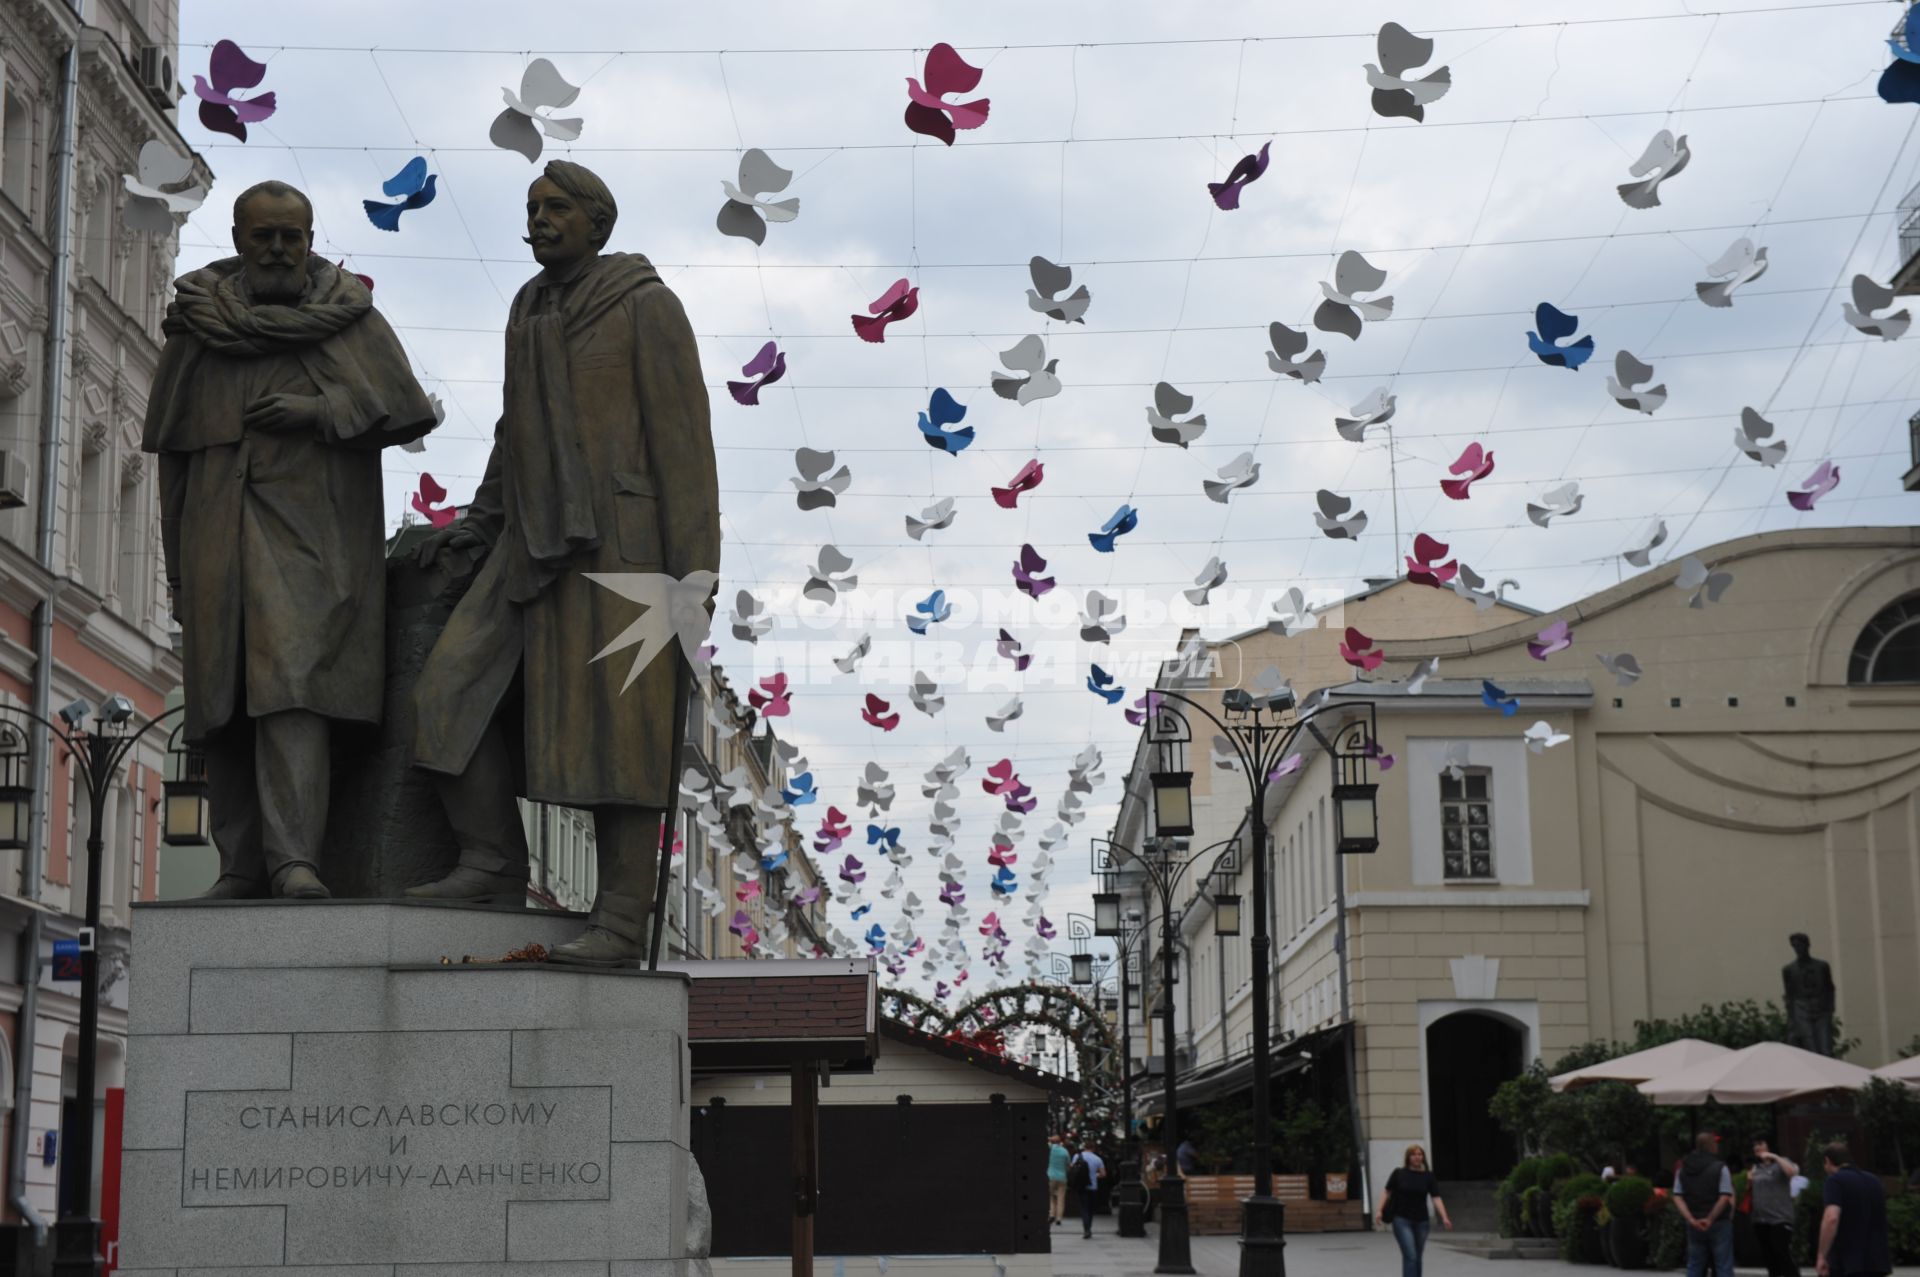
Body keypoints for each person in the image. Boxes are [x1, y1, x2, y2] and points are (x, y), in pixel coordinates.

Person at [408, 160, 721, 964]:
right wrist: (476, 524)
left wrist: (695, 583)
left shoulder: (647, 306)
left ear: (596, 223)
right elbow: (517, 434)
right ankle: (491, 859)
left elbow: (686, 450)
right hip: (527, 542)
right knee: (448, 688)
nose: (539, 219)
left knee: (621, 736)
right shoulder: (529, 309)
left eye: (556, 208)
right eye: (531, 207)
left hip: (625, 551)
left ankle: (620, 916)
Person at [144, 180, 438, 899]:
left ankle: (293, 860)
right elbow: (174, 462)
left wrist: (320, 409)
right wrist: (177, 573)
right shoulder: (196, 332)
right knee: (221, 708)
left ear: (311, 241)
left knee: (292, 696)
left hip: (316, 547)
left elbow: (407, 410)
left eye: (292, 237)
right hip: (218, 545)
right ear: (240, 240)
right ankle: (240, 863)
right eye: (263, 236)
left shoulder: (349, 320)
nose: (278, 249)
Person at [1376, 1143, 1453, 1277]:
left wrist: (1444, 1216)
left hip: (1422, 1221)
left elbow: (1436, 1197)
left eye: (1420, 1154)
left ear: (1423, 1157)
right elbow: (1386, 1192)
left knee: (1417, 1256)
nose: (1417, 1157)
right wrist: (1379, 1210)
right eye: (1414, 1154)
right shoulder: (1398, 1173)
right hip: (1401, 1219)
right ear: (1408, 1157)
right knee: (1410, 1255)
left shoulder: (1428, 1176)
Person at [1817, 1142, 1891, 1277]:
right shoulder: (1874, 1181)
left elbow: (1831, 1218)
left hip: (1847, 1262)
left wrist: (1822, 1255)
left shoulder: (1834, 1181)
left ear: (1827, 1161)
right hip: (1877, 1261)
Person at [1674, 1132, 1736, 1277]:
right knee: (1723, 1265)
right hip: (1719, 1222)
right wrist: (1710, 1218)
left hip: (1694, 1222)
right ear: (1712, 1146)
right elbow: (1725, 1196)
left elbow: (1677, 1196)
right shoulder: (1720, 1168)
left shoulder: (1683, 1169)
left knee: (1695, 1264)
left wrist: (1690, 1219)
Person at [1750, 1138, 1801, 1277]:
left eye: (1760, 1144)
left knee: (1782, 1252)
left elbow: (1792, 1173)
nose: (1757, 1147)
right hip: (1760, 1219)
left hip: (1779, 1218)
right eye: (1755, 1145)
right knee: (1769, 1257)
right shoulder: (1756, 1167)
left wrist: (1774, 1156)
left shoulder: (1781, 1162)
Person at [1071, 1144, 1107, 1239]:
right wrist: (1095, 1175)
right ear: (1093, 1148)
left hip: (1081, 1186)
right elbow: (1103, 1174)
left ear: (1084, 1147)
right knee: (1091, 1209)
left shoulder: (1077, 1156)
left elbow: (1073, 1169)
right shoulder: (1097, 1159)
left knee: (1084, 1208)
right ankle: (1089, 1228)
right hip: (1093, 1187)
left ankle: (1086, 1229)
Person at [1046, 1133, 1070, 1226]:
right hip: (1062, 1177)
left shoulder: (1050, 1149)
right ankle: (1059, 1218)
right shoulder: (1065, 1151)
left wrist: (1050, 1138)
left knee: (1051, 1197)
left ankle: (1052, 1214)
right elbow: (1068, 1165)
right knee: (1061, 1198)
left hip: (1050, 1176)